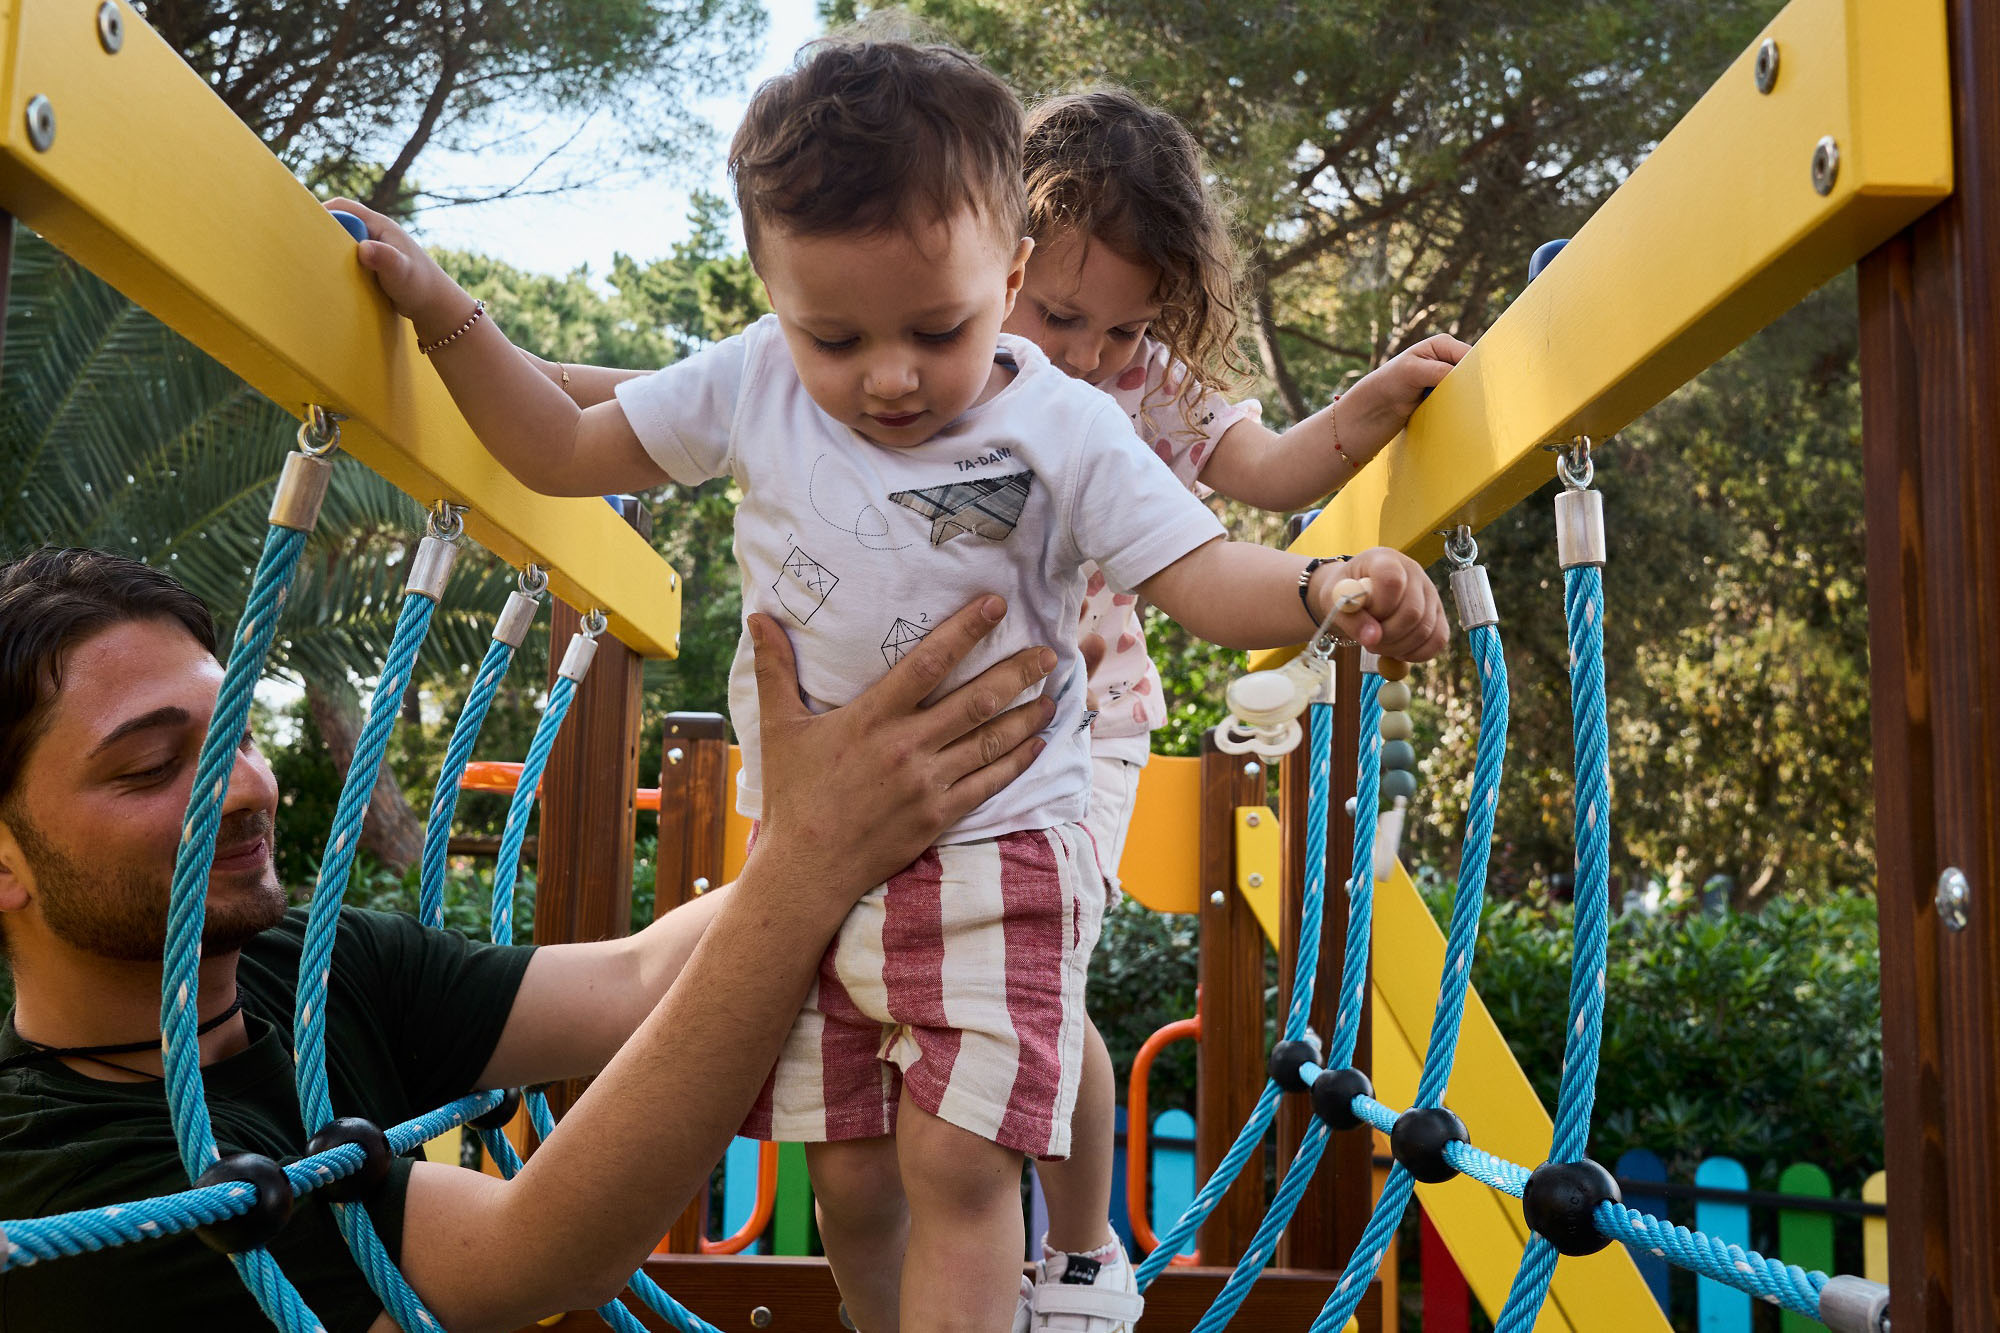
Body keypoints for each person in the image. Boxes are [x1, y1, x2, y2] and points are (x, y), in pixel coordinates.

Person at [330, 32, 1450, 1333]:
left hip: (1002, 833)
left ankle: (1067, 1266)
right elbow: (565, 444)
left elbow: (1203, 570)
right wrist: (444, 315)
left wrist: (1321, 589)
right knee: (857, 1182)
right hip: (817, 842)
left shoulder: (1069, 416)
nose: (893, 375)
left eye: (938, 328)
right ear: (773, 292)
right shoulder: (758, 373)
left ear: (1005, 273)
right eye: (837, 334)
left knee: (957, 1161)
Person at [0, 545, 1069, 1333]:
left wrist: (884, 819)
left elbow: (639, 978)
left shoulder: (314, 972)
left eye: (235, 734)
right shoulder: (65, 1174)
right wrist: (814, 859)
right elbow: (534, 1252)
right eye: (149, 768)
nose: (242, 788)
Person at [994, 88, 1471, 1327]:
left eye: (1117, 328)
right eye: (1058, 316)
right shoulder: (935, 353)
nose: (1084, 356)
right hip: (935, 729)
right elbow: (746, 394)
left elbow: (1262, 472)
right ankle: (958, 1245)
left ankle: (1083, 1251)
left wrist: (1370, 404)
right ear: (991, 246)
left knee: (1036, 977)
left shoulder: (1137, 379)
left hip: (1083, 724)